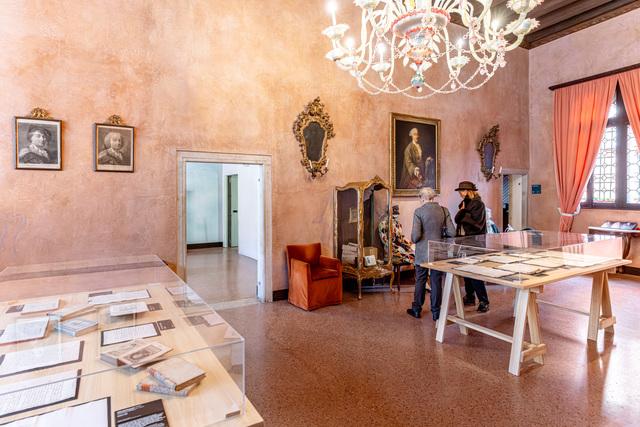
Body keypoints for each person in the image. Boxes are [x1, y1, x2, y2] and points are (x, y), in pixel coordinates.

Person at [407, 187, 455, 321]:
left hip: (422, 252)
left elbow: (415, 237)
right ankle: (436, 312)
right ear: (433, 197)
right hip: (438, 251)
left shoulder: (419, 211)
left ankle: (417, 309)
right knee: (436, 281)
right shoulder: (444, 210)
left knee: (420, 280)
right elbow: (452, 232)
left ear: (422, 197)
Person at [454, 181, 490, 313]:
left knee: (475, 273)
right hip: (464, 241)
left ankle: (483, 301)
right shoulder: (465, 203)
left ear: (468, 191)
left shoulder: (478, 204)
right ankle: (470, 296)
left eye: (462, 190)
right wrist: (463, 212)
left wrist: (463, 213)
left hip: (475, 243)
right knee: (466, 272)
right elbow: (457, 219)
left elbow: (477, 224)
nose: (460, 193)